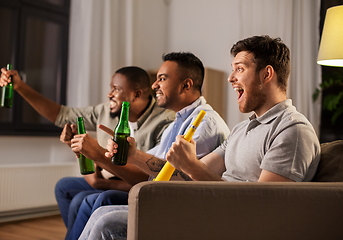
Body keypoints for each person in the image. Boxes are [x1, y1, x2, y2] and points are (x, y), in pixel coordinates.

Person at [79, 35, 321, 240]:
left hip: (226, 224)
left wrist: (194, 169)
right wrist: (133, 155)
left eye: (239, 68)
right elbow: (182, 176)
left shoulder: (292, 130)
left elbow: (261, 208)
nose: (230, 78)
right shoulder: (242, 129)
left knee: (107, 222)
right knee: (102, 213)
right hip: (206, 209)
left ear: (266, 74)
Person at [67, 51, 230, 240]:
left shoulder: (205, 123)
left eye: (162, 78)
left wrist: (101, 154)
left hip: (173, 206)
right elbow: (147, 168)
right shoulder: (175, 124)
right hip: (155, 197)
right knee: (92, 199)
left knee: (100, 204)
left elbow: (181, 177)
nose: (154, 85)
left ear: (186, 85)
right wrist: (128, 153)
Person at [0, 66, 176, 237]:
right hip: (106, 177)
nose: (109, 94)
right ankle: (83, 234)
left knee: (81, 200)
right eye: (110, 88)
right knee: (64, 187)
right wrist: (19, 86)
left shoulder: (164, 122)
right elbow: (62, 115)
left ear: (136, 94)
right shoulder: (105, 111)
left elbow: (153, 178)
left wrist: (102, 182)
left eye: (116, 89)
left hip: (134, 183)